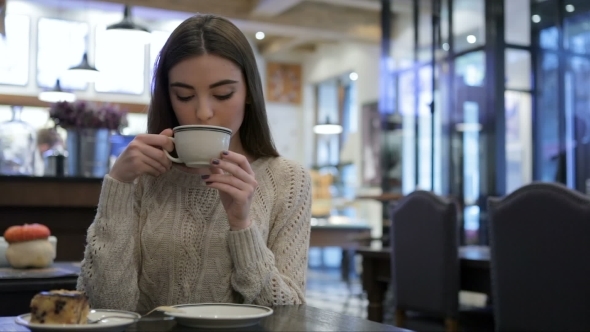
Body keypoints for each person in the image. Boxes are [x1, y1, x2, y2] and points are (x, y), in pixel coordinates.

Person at [76, 14, 312, 312]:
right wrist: (118, 186)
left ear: (249, 92)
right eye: (184, 96)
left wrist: (242, 225)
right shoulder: (144, 176)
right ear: (168, 97)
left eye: (223, 94)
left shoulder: (288, 180)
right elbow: (105, 306)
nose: (203, 112)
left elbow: (288, 314)